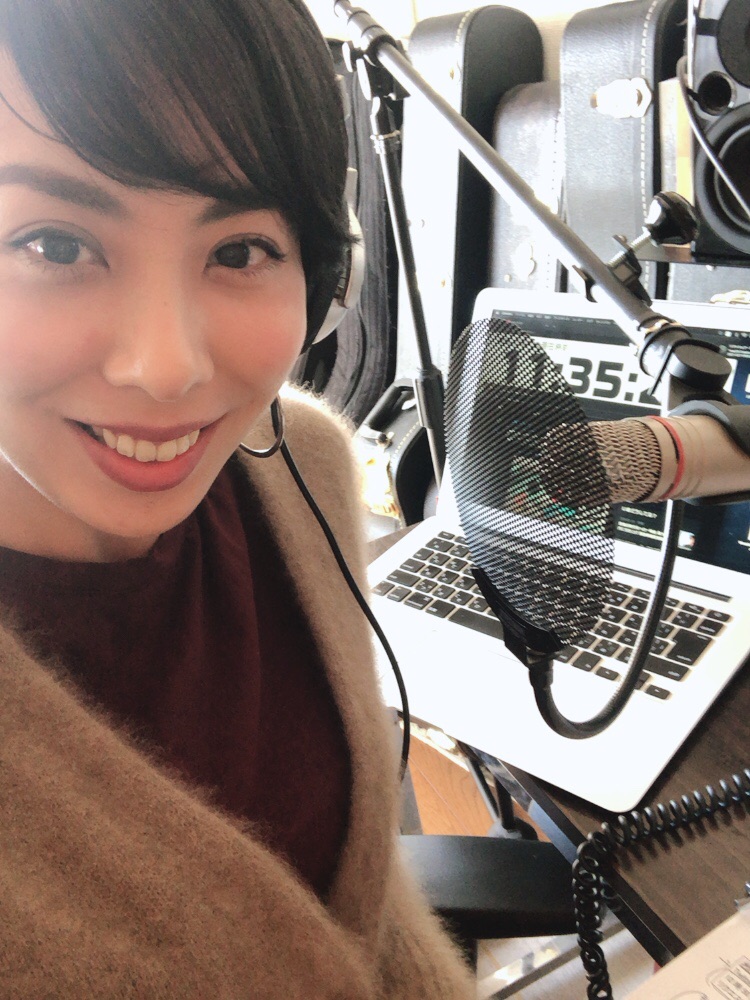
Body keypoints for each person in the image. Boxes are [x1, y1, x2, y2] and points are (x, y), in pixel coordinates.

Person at [0, 1, 476, 996]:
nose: (167, 367)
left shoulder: (301, 470)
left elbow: (361, 910)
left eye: (239, 251)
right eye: (54, 245)